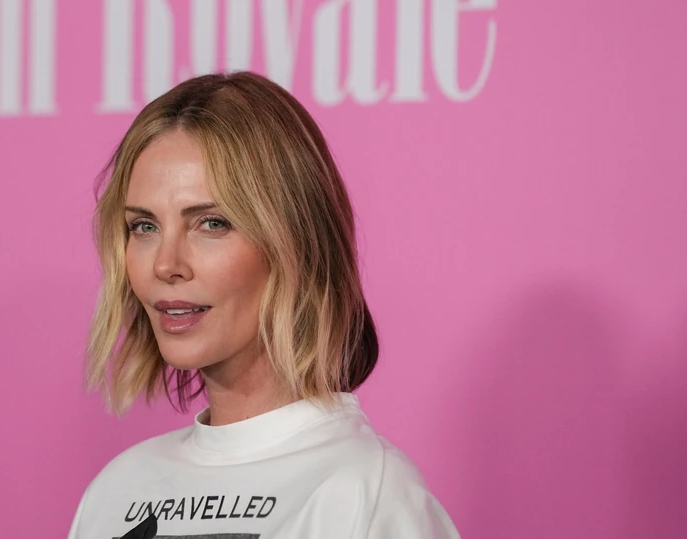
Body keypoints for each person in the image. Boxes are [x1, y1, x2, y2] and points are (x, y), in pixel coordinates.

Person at [68, 71, 460, 538]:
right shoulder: (115, 492)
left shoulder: (365, 494)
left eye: (211, 223)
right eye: (144, 227)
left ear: (295, 242)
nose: (166, 264)